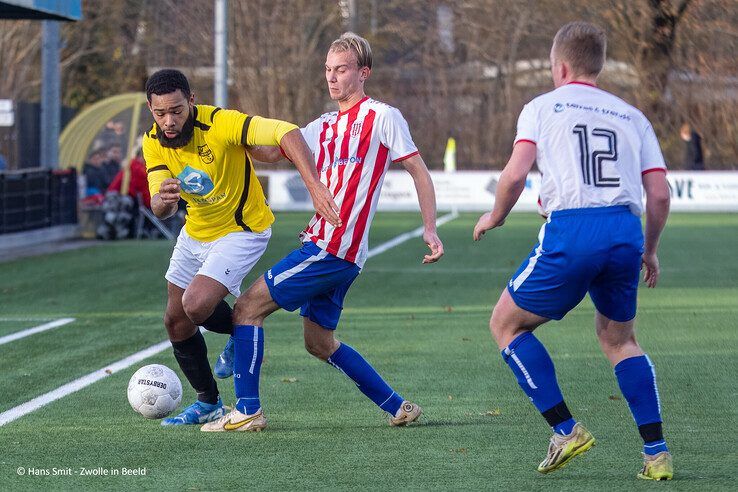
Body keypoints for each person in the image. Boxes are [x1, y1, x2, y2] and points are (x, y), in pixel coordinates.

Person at [201, 32, 444, 432]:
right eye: (328, 70)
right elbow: (271, 152)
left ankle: (247, 411)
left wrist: (430, 229)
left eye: (341, 70)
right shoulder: (322, 125)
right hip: (337, 252)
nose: (332, 78)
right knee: (318, 343)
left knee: (247, 308)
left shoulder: (382, 116)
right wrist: (233, 137)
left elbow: (418, 170)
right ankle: (398, 406)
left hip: (331, 247)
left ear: (363, 73)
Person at [472, 22, 672, 480]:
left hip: (573, 228)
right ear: (598, 65)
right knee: (620, 340)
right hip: (625, 231)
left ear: (560, 65)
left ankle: (566, 429)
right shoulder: (631, 115)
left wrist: (496, 216)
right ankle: (656, 454)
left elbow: (516, 173)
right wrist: (651, 250)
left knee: (505, 324)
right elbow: (658, 194)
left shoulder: (542, 107)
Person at [143, 69, 340, 426]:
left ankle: (243, 327)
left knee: (197, 304)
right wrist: (163, 199)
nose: (169, 121)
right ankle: (209, 402)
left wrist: (314, 186)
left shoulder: (221, 123)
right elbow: (160, 203)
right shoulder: (153, 140)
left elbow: (287, 132)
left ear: (191, 100)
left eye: (176, 110)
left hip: (241, 230)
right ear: (150, 110)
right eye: (160, 113)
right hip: (195, 232)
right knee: (175, 321)